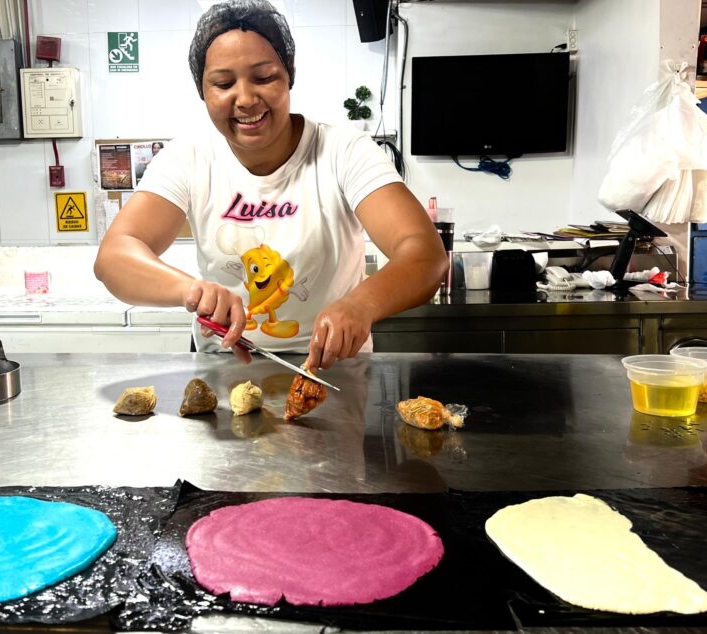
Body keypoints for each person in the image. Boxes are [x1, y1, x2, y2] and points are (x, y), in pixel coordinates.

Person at [94, 0, 446, 373]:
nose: (245, 99)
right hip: (223, 374)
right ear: (203, 90)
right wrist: (190, 290)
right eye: (224, 83)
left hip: (330, 374)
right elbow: (115, 256)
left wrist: (362, 304)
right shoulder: (189, 157)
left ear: (288, 75)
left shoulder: (344, 152)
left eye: (263, 78)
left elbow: (424, 255)